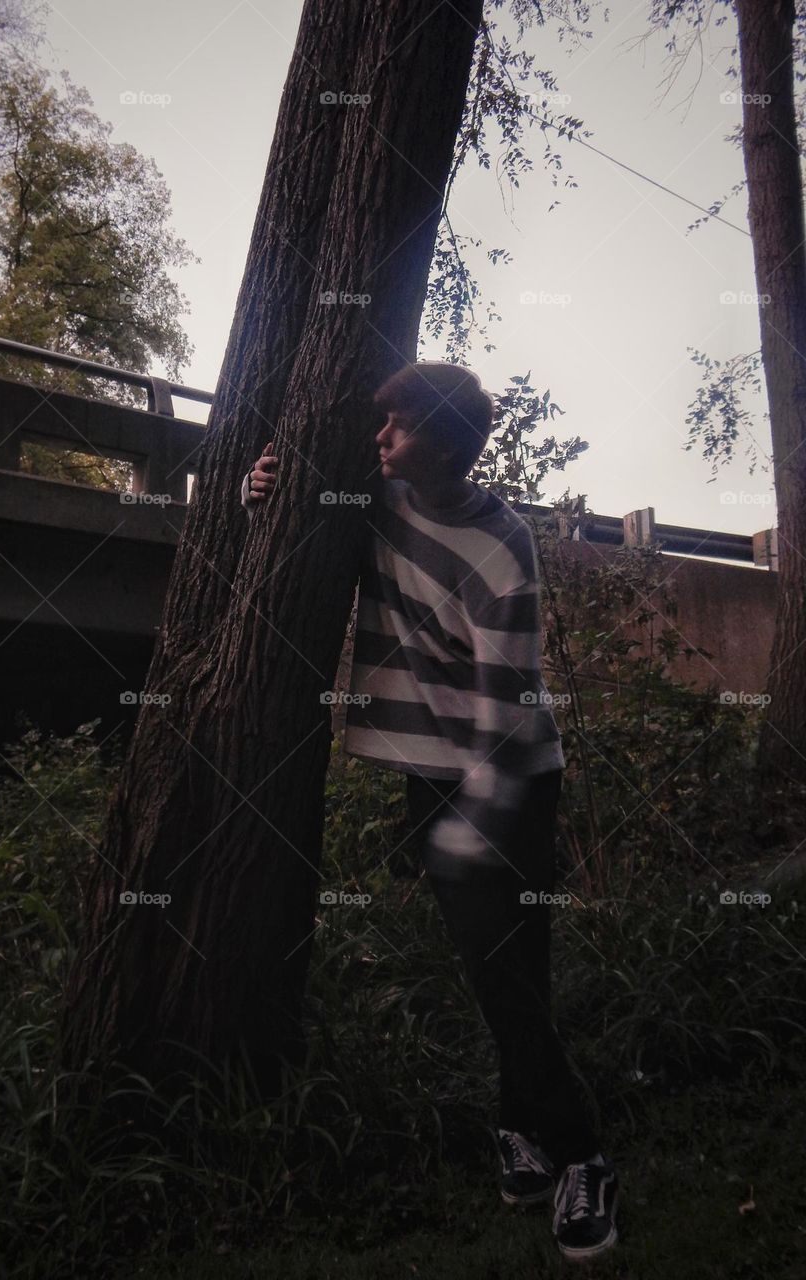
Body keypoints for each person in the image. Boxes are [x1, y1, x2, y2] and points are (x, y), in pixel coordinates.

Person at [241, 361, 618, 1262]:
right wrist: (259, 497)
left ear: (444, 447)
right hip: (434, 774)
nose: (378, 438)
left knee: (507, 974)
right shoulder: (377, 496)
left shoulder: (503, 546)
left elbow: (508, 703)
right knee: (505, 972)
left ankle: (582, 1155)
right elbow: (297, 541)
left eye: (398, 426)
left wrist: (472, 820)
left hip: (510, 778)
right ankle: (522, 1128)